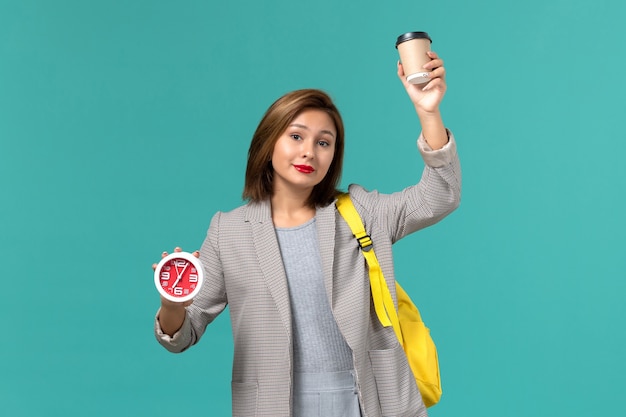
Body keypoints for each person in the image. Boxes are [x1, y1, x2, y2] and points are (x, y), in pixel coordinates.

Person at [154, 51, 461, 417]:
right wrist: (172, 304)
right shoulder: (229, 231)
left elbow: (440, 195)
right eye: (296, 136)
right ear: (269, 144)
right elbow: (182, 335)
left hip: (364, 397)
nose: (308, 152)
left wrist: (428, 112)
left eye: (323, 142)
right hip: (271, 403)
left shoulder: (360, 212)